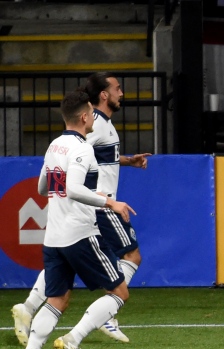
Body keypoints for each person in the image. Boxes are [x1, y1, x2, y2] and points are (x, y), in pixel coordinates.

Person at [12, 72, 151, 345]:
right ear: (86, 116)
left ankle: (31, 321)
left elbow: (45, 187)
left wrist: (125, 162)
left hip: (55, 232)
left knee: (58, 298)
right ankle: (82, 333)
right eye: (117, 88)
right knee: (121, 287)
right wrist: (108, 200)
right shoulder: (84, 143)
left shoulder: (56, 145)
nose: (121, 93)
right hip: (81, 226)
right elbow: (75, 183)